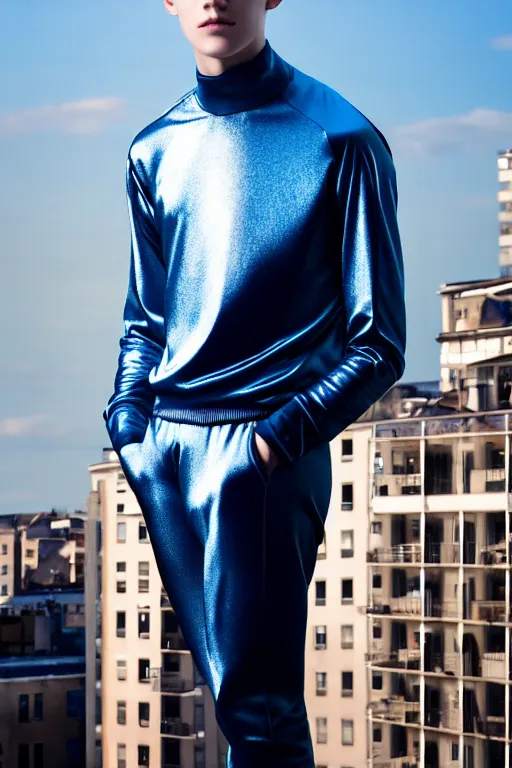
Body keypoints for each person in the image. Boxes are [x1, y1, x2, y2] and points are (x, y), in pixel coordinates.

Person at [102, 1, 407, 765]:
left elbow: (380, 343)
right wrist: (129, 424)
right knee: (236, 709)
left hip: (262, 455)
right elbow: (147, 319)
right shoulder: (152, 150)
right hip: (163, 452)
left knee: (262, 717)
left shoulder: (342, 140)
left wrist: (276, 440)